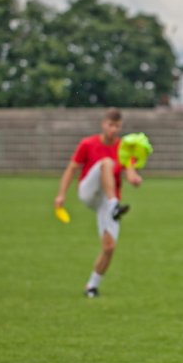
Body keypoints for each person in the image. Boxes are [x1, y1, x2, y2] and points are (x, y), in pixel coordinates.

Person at [54, 108, 142, 297]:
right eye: (111, 125)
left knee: (109, 247)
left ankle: (92, 286)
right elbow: (72, 169)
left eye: (117, 126)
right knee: (106, 163)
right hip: (89, 191)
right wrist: (61, 194)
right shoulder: (88, 143)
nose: (114, 129)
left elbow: (130, 171)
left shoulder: (124, 148)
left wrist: (134, 179)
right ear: (103, 124)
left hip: (107, 199)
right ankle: (113, 205)